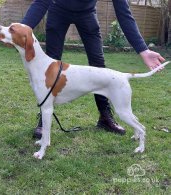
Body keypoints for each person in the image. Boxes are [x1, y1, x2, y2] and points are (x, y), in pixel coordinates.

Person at [21, 0, 165, 139]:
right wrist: (20, 31)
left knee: (98, 64)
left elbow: (124, 13)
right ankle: (44, 120)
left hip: (87, 13)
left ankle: (105, 116)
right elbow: (41, 2)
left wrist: (143, 50)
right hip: (58, 9)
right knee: (51, 63)